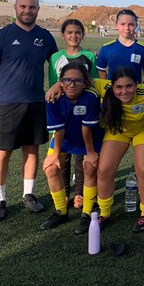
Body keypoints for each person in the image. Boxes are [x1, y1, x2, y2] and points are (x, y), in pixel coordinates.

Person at [48, 67, 144, 231]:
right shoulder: (103, 87)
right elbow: (79, 80)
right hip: (118, 131)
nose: (124, 91)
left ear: (137, 85)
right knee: (104, 170)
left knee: (143, 169)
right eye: (119, 87)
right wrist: (57, 85)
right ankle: (104, 213)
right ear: (112, 87)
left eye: (129, 86)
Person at [0, 0, 58, 221]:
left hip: (36, 102)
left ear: (38, 10)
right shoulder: (2, 36)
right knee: (1, 152)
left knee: (31, 149)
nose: (27, 10)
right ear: (15, 8)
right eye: (23, 6)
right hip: (5, 103)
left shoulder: (45, 37)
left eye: (32, 7)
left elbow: (58, 64)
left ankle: (29, 194)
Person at [40, 63, 103, 231]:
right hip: (65, 138)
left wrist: (90, 153)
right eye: (67, 80)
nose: (72, 85)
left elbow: (87, 128)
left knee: (90, 167)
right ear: (60, 82)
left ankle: (87, 213)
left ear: (85, 83)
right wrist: (55, 154)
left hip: (90, 139)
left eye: (77, 81)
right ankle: (60, 211)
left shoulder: (91, 96)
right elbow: (59, 129)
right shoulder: (53, 97)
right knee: (51, 168)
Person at [49, 19, 98, 210]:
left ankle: (79, 194)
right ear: (63, 35)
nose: (73, 36)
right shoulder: (55, 57)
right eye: (69, 32)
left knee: (82, 154)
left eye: (77, 32)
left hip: (84, 107)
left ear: (82, 35)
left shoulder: (88, 56)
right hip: (63, 108)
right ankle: (65, 193)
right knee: (62, 153)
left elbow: (92, 82)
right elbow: (55, 83)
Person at [97, 9, 144, 83]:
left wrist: (141, 91)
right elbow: (101, 70)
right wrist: (108, 88)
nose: (127, 28)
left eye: (131, 24)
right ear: (116, 25)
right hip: (112, 93)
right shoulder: (106, 48)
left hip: (135, 93)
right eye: (122, 24)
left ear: (136, 26)